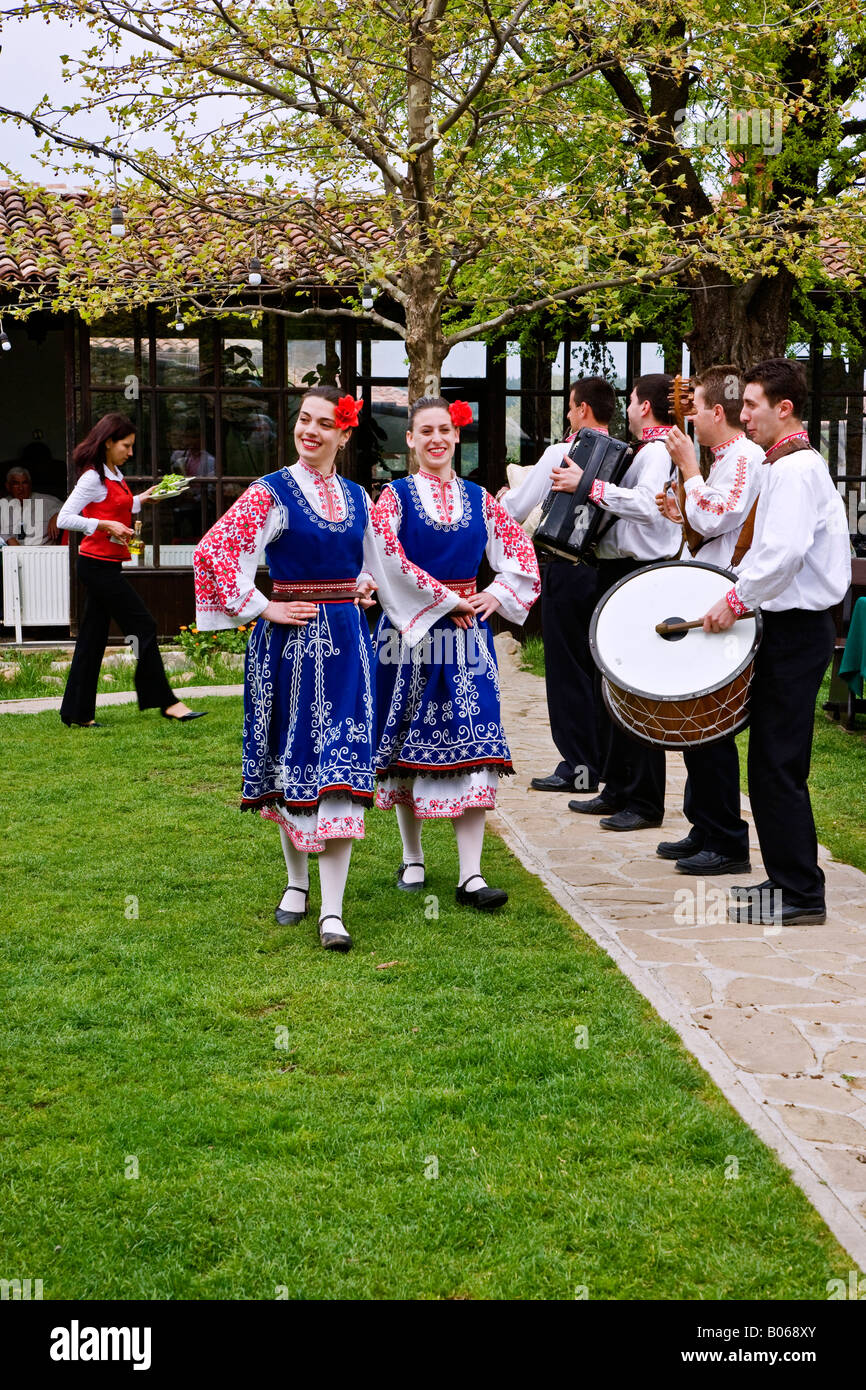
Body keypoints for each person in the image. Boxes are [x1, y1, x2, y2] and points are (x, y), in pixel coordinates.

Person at [193, 386, 471, 952]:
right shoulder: (268, 493)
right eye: (304, 420)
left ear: (344, 436)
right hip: (288, 643)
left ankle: (333, 912)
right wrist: (261, 606)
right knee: (290, 757)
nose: (310, 431)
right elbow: (214, 552)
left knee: (339, 763)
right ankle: (296, 885)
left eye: (325, 424)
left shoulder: (357, 497)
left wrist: (443, 600)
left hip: (347, 645)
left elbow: (389, 565)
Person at [371, 397, 540, 910]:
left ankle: (472, 874)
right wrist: (446, 600)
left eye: (444, 430)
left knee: (476, 741)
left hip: (467, 636)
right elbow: (386, 562)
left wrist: (497, 593)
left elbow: (519, 555)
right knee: (406, 744)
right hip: (408, 632)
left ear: (456, 435)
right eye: (425, 431)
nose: (436, 439)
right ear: (410, 440)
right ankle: (413, 856)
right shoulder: (393, 499)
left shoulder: (481, 499)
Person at [699, 358, 851, 926]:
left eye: (751, 406)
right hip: (789, 627)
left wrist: (735, 600)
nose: (743, 416)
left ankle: (801, 894)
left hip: (797, 629)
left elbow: (783, 553)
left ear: (782, 408)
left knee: (776, 763)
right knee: (770, 759)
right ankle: (785, 878)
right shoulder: (789, 465)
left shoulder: (792, 470)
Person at [654, 365, 764, 875]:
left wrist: (689, 472)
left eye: (695, 408)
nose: (690, 418)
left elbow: (720, 515)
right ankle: (704, 823)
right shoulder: (724, 459)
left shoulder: (745, 457)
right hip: (708, 599)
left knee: (711, 723)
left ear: (717, 412)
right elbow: (709, 525)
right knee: (695, 723)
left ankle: (727, 839)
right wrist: (681, 512)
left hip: (728, 606)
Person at [566, 373, 681, 830]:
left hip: (640, 575)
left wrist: (589, 486)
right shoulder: (643, 451)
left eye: (632, 401)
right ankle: (618, 787)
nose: (627, 409)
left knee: (636, 685)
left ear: (646, 407)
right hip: (619, 572)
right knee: (613, 683)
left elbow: (648, 505)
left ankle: (645, 800)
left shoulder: (656, 452)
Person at [499, 377, 616, 795]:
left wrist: (499, 498)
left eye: (570, 407)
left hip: (565, 568)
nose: (568, 414)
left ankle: (579, 767)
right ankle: (602, 763)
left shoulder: (560, 453)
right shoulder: (622, 458)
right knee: (596, 668)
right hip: (605, 571)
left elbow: (516, 507)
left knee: (567, 671)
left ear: (583, 410)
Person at [57, 413, 204, 728]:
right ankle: (167, 703)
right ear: (108, 443)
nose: (131, 452)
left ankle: (77, 713)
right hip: (96, 567)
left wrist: (143, 499)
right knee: (144, 624)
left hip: (106, 565)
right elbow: (65, 518)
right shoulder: (92, 477)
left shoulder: (114, 473)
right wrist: (104, 524)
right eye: (126, 445)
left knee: (92, 639)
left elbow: (116, 504)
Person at [0, 467, 62, 545]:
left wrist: (57, 515)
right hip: (13, 555)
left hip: (45, 554)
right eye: (16, 483)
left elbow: (75, 511)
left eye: (24, 483)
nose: (21, 488)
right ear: (8, 486)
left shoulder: (46, 501)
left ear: (30, 485)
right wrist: (8, 538)